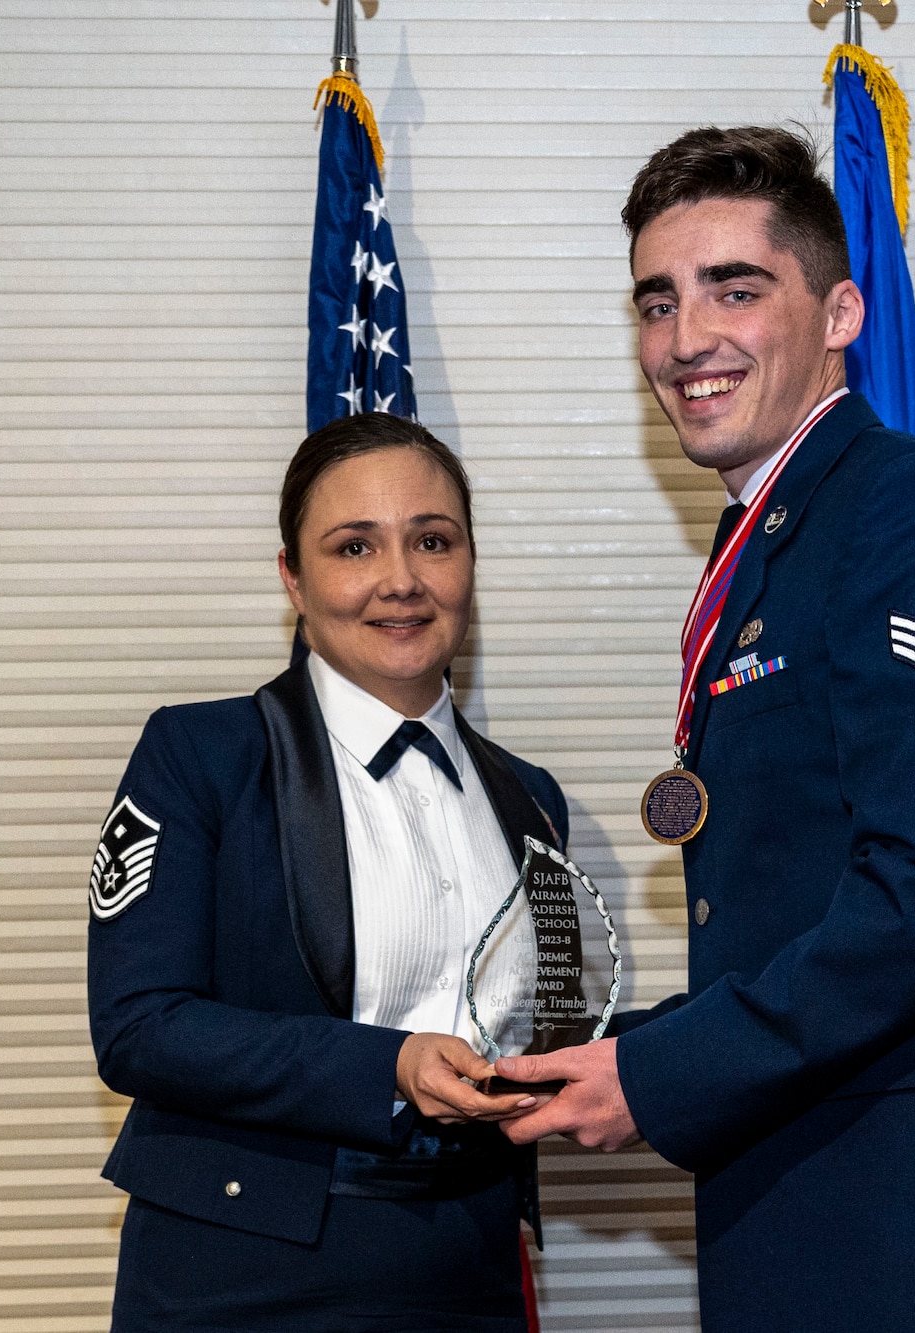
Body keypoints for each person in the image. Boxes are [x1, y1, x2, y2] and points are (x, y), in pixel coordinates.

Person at [497, 127, 915, 1332]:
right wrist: (596, 1053)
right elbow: (797, 907)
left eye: (733, 289)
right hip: (825, 1213)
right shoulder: (770, 539)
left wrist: (657, 1077)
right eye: (656, 300)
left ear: (841, 310)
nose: (685, 338)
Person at [88, 412, 562, 1332]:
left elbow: (537, 1027)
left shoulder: (531, 798)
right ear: (293, 580)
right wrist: (389, 1061)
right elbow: (141, 1028)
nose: (402, 580)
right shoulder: (199, 755)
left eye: (433, 539)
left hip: (471, 1267)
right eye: (355, 547)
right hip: (243, 1271)